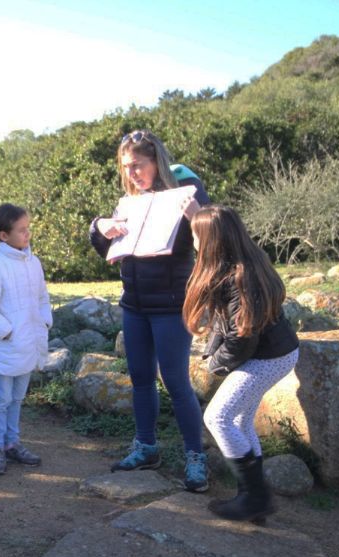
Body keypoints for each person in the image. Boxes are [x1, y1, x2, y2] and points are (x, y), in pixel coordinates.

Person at [89, 129, 210, 492]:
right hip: (135, 305)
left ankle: (196, 457)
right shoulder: (131, 200)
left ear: (157, 160)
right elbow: (108, 249)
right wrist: (100, 227)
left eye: (138, 166)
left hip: (172, 306)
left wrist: (197, 215)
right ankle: (146, 448)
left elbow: (213, 242)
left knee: (176, 382)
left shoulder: (187, 188)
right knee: (141, 379)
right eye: (126, 168)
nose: (132, 174)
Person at [183, 206, 299, 522]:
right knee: (241, 421)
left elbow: (241, 336)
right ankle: (253, 498)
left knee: (218, 417)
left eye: (195, 234)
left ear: (211, 240)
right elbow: (232, 326)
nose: (192, 240)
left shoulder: (239, 276)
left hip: (266, 357)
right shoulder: (242, 262)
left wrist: (217, 364)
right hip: (274, 353)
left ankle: (255, 497)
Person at [0, 204, 51, 475]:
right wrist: (8, 332)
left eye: (28, 228)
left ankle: (12, 444)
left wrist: (44, 321)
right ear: (3, 236)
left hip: (28, 344)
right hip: (6, 347)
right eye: (22, 230)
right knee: (1, 399)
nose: (27, 234)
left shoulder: (33, 263)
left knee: (17, 398)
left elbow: (42, 297)